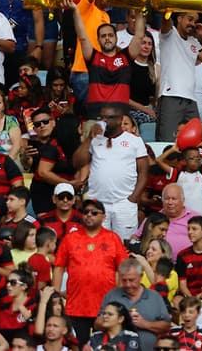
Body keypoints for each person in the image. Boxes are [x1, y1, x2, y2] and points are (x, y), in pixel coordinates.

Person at [52, 199, 127, 346]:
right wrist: (56, 294)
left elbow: (122, 269)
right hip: (76, 307)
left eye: (94, 212)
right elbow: (59, 267)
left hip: (106, 307)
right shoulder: (70, 239)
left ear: (103, 216)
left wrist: (118, 297)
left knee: (106, 347)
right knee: (77, 346)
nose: (89, 215)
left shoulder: (113, 238)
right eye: (85, 212)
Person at [72, 104, 147, 239]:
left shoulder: (134, 141)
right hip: (97, 202)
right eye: (102, 117)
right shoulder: (94, 139)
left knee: (124, 245)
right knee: (96, 243)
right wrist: (89, 138)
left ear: (120, 119)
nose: (104, 121)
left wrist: (133, 198)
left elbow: (143, 172)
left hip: (125, 202)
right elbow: (77, 162)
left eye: (110, 117)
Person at [156, 12, 202, 141]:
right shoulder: (169, 34)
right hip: (170, 96)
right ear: (179, 18)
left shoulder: (193, 41)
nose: (193, 24)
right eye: (190, 19)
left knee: (196, 140)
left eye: (195, 21)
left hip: (191, 100)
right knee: (167, 140)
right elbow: (166, 19)